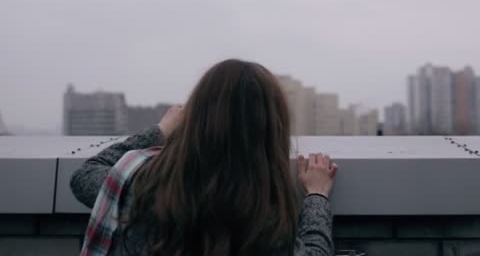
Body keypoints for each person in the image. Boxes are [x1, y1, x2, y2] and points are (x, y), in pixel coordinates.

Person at [70, 59, 338, 256]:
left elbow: (86, 175)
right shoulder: (263, 221)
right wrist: (316, 196)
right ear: (271, 130)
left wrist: (159, 130)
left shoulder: (141, 182)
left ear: (196, 116)